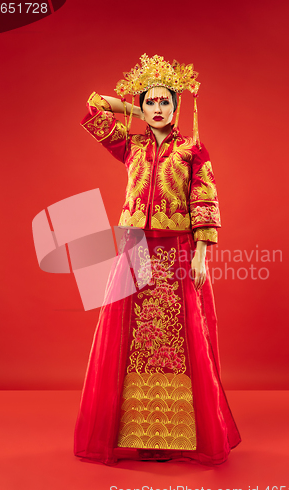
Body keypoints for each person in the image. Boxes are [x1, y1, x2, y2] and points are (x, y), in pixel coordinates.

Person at [74, 54, 241, 465]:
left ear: (177, 106)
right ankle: (135, 431)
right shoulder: (130, 144)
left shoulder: (192, 149)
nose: (158, 109)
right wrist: (135, 110)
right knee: (131, 341)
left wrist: (201, 256)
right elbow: (93, 109)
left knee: (177, 342)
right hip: (135, 250)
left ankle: (175, 435)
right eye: (151, 102)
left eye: (165, 101)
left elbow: (204, 202)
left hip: (178, 252)